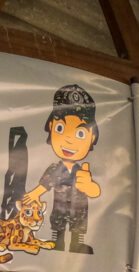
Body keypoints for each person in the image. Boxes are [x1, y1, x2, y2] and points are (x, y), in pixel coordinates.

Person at [22, 83, 101, 253]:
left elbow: (95, 192)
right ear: (51, 127)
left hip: (79, 210)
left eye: (80, 133)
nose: (69, 140)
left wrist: (88, 186)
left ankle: (76, 244)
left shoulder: (83, 171)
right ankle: (57, 244)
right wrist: (34, 194)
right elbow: (46, 183)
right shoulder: (54, 168)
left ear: (92, 136)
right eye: (60, 128)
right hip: (59, 209)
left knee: (78, 227)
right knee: (58, 226)